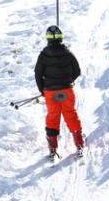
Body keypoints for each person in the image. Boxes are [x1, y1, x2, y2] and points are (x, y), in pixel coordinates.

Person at [34, 25, 84, 160]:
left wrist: (43, 90)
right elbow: (77, 71)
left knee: (53, 116)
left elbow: (38, 74)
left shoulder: (43, 55)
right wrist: (68, 80)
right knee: (70, 114)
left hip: (50, 92)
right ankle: (79, 144)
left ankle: (53, 149)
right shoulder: (68, 53)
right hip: (66, 90)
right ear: (61, 37)